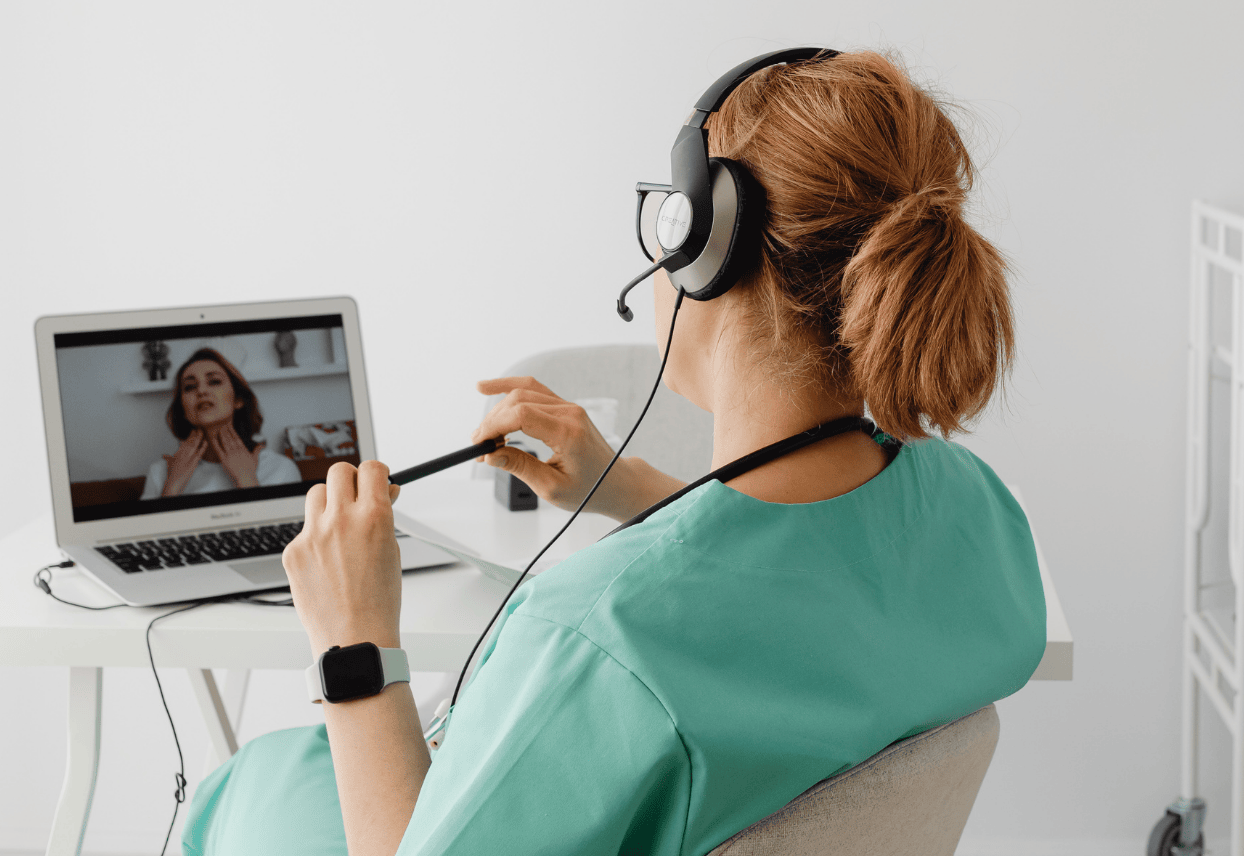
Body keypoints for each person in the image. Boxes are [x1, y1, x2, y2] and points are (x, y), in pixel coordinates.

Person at [183, 51, 1044, 856]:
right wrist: (629, 490)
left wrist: (352, 642)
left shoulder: (595, 642)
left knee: (239, 790)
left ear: (710, 247)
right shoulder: (974, 511)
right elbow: (804, 595)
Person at [141, 348, 300, 499]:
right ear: (183, 410)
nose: (202, 391)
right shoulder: (160, 473)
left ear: (238, 399)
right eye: (189, 387)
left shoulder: (280, 469)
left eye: (214, 381)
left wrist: (247, 482)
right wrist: (172, 487)